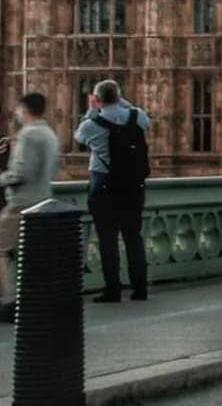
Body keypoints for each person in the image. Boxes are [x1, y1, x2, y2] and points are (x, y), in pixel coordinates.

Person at [74, 79, 150, 304]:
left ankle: (113, 290)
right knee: (133, 238)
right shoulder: (138, 117)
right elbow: (141, 118)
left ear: (97, 99)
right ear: (119, 96)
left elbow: (79, 138)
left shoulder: (91, 124)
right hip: (133, 187)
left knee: (107, 240)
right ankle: (140, 289)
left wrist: (92, 108)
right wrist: (119, 100)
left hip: (104, 187)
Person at [0, 93, 60, 322]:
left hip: (21, 203)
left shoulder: (28, 134)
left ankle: (9, 301)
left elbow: (21, 173)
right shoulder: (50, 134)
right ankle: (37, 300)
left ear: (24, 109)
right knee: (34, 255)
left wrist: (2, 178)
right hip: (43, 201)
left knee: (2, 248)